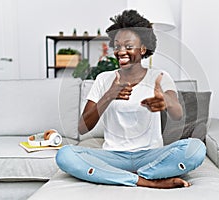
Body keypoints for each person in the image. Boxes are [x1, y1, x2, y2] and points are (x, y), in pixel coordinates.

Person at [56, 10, 206, 189]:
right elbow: (83, 127)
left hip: (151, 155)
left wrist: (166, 101)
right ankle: (146, 181)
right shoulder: (104, 79)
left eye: (128, 46)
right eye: (117, 46)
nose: (121, 51)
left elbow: (178, 114)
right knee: (65, 155)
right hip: (113, 157)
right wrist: (109, 95)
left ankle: (127, 176)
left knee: (196, 149)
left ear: (143, 49)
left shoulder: (159, 76)